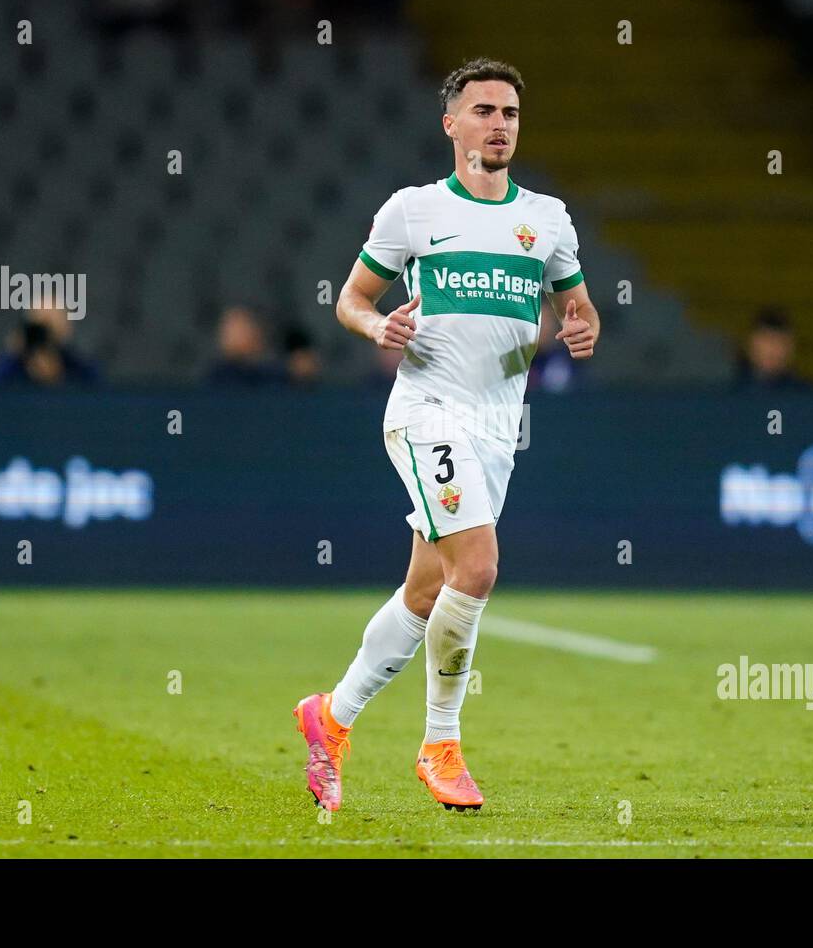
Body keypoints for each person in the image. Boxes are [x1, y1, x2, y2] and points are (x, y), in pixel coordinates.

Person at [292, 57, 599, 813]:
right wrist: (378, 323)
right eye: (486, 111)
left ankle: (329, 719)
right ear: (451, 124)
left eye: (511, 114)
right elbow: (353, 300)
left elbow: (577, 308)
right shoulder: (414, 211)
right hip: (426, 410)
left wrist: (584, 326)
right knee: (482, 566)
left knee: (428, 589)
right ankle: (441, 743)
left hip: (500, 427)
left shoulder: (548, 221)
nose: (500, 125)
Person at [0, 305, 100, 386]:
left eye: (51, 324)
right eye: (40, 326)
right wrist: (12, 355)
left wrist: (56, 374)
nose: (45, 334)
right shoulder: (10, 368)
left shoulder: (81, 369)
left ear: (66, 329)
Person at [733, 307, 810, 391]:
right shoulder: (725, 392)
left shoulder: (805, 396)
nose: (772, 349)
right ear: (750, 344)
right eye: (766, 339)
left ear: (790, 348)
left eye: (781, 341)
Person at [205, 305, 282, 387]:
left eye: (240, 330)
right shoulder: (217, 376)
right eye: (230, 331)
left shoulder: (273, 374)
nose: (233, 336)